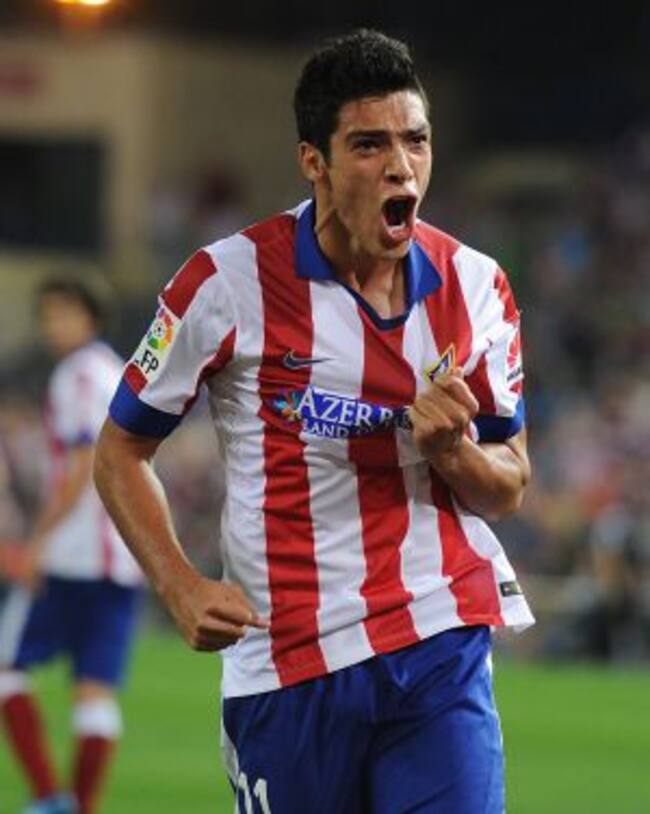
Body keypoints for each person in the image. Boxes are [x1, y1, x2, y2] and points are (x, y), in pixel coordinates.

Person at [95, 29, 534, 812]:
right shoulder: (225, 283)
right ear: (314, 161)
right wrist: (180, 585)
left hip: (437, 634)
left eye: (417, 140)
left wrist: (455, 454)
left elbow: (507, 486)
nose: (401, 165)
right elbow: (121, 450)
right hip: (287, 660)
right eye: (369, 144)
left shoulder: (476, 287)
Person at [0, 278, 142, 814]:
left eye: (63, 314)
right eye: (47, 316)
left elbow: (84, 463)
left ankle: (47, 796)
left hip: (75, 554)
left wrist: (38, 540)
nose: (53, 326)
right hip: (122, 556)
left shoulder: (78, 375)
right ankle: (80, 806)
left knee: (7, 666)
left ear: (91, 318)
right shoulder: (118, 372)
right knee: (94, 691)